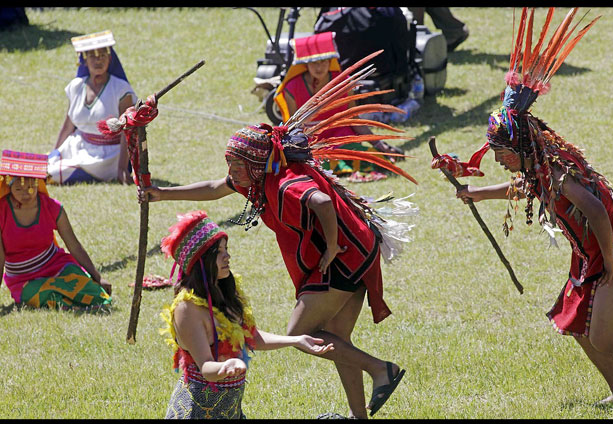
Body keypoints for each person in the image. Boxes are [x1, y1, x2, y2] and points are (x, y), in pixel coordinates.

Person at [141, 53, 416, 418]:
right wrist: (161, 192)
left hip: (344, 255)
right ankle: (359, 416)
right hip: (356, 250)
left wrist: (332, 245)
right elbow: (213, 186)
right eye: (230, 165)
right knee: (336, 339)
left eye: (235, 166)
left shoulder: (283, 183)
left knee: (302, 332)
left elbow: (320, 201)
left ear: (254, 165)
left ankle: (381, 369)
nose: (230, 172)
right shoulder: (257, 177)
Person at [433, 8, 613, 404]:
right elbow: (521, 189)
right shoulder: (537, 164)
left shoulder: (556, 171)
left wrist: (611, 264)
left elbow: (598, 213)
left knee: (603, 336)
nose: (498, 159)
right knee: (577, 325)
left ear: (518, 146)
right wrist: (476, 194)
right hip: (590, 256)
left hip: (610, 249)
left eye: (502, 152)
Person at [160, 210, 334, 419]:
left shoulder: (224, 292)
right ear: (201, 260)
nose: (227, 256)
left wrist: (296, 340)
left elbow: (251, 337)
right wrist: (226, 366)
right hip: (195, 411)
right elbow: (206, 367)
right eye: (219, 252)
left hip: (229, 409)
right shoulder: (186, 308)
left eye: (227, 249)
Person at [274, 31, 405, 183]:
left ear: (330, 62)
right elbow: (292, 127)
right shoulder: (292, 87)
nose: (319, 67)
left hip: (340, 135)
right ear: (305, 64)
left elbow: (353, 118)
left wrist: (379, 144)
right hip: (309, 138)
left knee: (358, 153)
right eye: (314, 63)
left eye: (324, 62)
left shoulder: (343, 83)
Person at [0, 150, 112, 310]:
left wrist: (97, 277)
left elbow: (74, 245)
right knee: (40, 294)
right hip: (23, 279)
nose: (25, 194)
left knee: (91, 290)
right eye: (18, 189)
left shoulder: (52, 207)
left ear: (38, 184)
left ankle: (76, 297)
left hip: (57, 266)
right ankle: (70, 302)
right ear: (9, 186)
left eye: (31, 188)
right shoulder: (1, 211)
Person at [48, 30, 136, 185]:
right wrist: (55, 152)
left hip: (106, 156)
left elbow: (128, 130)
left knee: (52, 174)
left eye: (102, 56)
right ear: (84, 60)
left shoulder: (121, 89)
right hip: (78, 145)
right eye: (93, 56)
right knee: (44, 163)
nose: (98, 61)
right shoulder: (76, 86)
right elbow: (69, 124)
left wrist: (122, 168)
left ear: (110, 59)